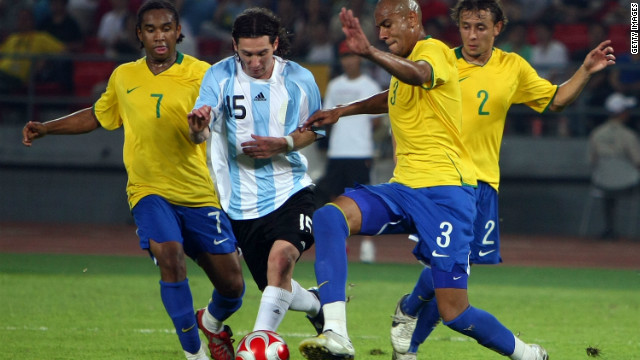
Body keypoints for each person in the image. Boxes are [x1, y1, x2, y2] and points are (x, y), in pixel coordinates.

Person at [297, 1, 547, 359]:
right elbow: (394, 94)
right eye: (377, 28)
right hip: (404, 188)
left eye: (387, 25)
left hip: (449, 194)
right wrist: (342, 111)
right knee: (329, 217)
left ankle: (528, 354)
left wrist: (368, 52)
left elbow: (418, 74)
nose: (382, 34)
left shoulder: (435, 52)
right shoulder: (406, 67)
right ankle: (336, 332)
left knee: (455, 313)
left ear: (412, 19)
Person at [390, 1, 617, 359]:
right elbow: (395, 97)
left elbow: (555, 101)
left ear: (498, 28)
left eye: (481, 27)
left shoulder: (512, 67)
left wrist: (586, 70)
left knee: (453, 273)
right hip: (442, 180)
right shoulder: (440, 63)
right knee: (450, 271)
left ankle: (408, 318)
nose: (472, 35)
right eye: (466, 26)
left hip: (483, 184)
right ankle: (409, 334)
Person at [21, 2, 245, 360]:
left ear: (178, 32)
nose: (159, 35)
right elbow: (98, 114)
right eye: (151, 29)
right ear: (139, 35)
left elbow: (210, 126)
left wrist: (199, 130)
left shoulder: (204, 74)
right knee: (170, 257)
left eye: (166, 28)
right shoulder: (124, 76)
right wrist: (48, 127)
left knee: (233, 287)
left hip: (198, 193)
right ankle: (194, 354)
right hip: (148, 191)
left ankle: (213, 323)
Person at [187, 7, 325, 336]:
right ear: (234, 46)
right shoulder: (218, 77)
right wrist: (197, 129)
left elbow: (315, 129)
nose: (255, 62)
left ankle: (258, 343)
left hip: (291, 190)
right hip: (240, 203)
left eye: (262, 53)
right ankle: (318, 307)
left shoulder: (300, 79)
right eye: (247, 54)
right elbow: (200, 133)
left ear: (276, 44)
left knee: (281, 262)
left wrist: (284, 143)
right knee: (276, 288)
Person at [314, 40, 383, 207]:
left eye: (351, 56)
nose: (348, 61)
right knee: (334, 197)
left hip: (360, 151)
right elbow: (327, 116)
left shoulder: (370, 86)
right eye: (344, 56)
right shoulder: (334, 85)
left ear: (359, 58)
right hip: (337, 150)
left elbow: (377, 122)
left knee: (360, 198)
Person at [587, 92, 640, 240]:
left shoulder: (596, 133)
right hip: (628, 183)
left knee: (607, 193)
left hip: (602, 182)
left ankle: (609, 228)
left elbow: (591, 161)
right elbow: (638, 161)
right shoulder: (628, 135)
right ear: (621, 113)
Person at [0, 6, 66, 93]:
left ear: (32, 21)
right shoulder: (12, 38)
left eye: (26, 18)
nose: (23, 21)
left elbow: (64, 51)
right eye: (21, 19)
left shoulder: (41, 37)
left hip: (18, 77)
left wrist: (46, 59)